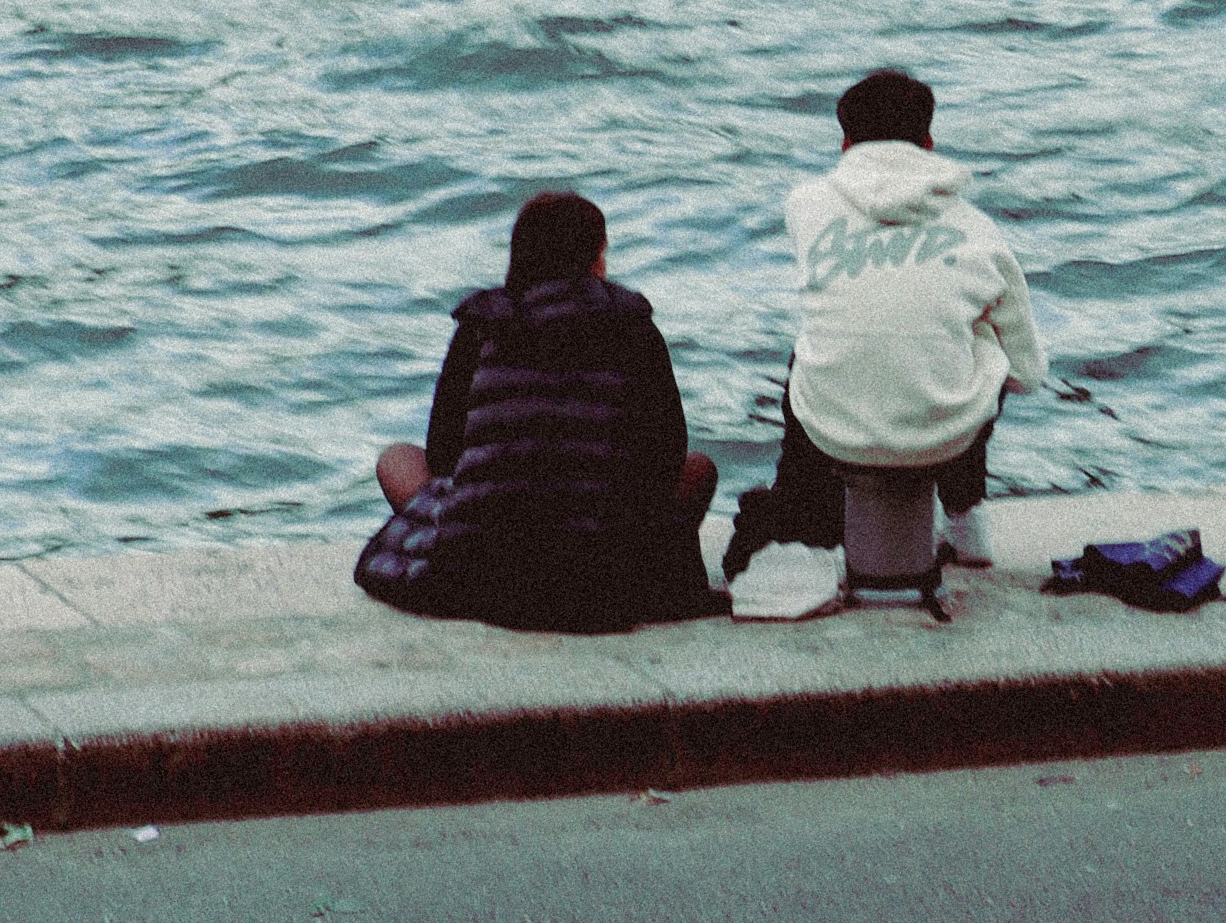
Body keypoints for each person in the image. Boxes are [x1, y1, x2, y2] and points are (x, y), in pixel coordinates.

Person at [722, 67, 1047, 578]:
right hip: (947, 435)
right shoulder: (977, 229)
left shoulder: (805, 205)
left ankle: (800, 499)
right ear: (928, 141)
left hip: (831, 433)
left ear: (845, 141)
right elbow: (1027, 372)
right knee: (984, 338)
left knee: (822, 337)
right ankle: (966, 518)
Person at [353, 193, 720, 634]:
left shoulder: (482, 323)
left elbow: (445, 455)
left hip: (486, 570)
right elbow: (666, 456)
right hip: (603, 570)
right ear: (597, 255)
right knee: (700, 469)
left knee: (397, 459)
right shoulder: (632, 324)